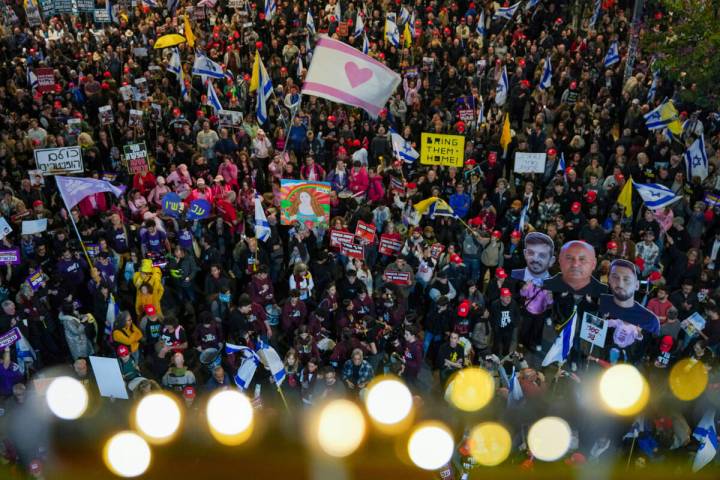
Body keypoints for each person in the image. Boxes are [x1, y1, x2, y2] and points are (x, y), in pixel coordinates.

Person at [599, 260, 660, 335]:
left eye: (626, 279)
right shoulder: (603, 301)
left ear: (636, 285)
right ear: (609, 280)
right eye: (615, 277)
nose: (620, 284)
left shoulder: (650, 321)